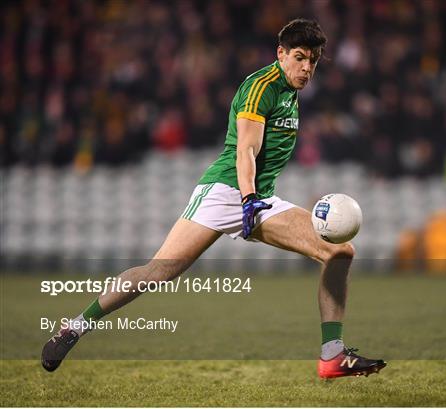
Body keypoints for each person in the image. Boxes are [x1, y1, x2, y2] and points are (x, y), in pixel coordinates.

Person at [41, 19, 386, 379]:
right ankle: (75, 327)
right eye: (299, 57)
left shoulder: (291, 92)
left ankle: (332, 357)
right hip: (225, 192)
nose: (306, 67)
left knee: (340, 252)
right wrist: (249, 198)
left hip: (259, 197)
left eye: (313, 60)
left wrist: (256, 198)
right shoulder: (261, 87)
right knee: (158, 272)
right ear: (280, 53)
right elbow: (246, 151)